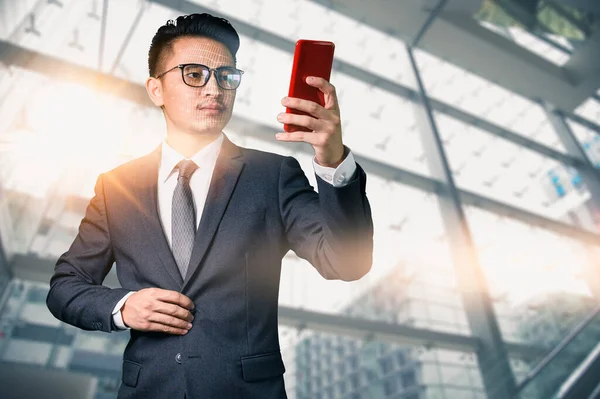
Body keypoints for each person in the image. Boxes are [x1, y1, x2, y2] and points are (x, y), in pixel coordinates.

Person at [46, 13, 373, 399]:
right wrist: (124, 305)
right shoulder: (117, 187)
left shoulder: (272, 175)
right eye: (194, 74)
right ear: (156, 90)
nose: (214, 90)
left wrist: (333, 161)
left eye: (226, 76)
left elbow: (346, 262)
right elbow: (64, 288)